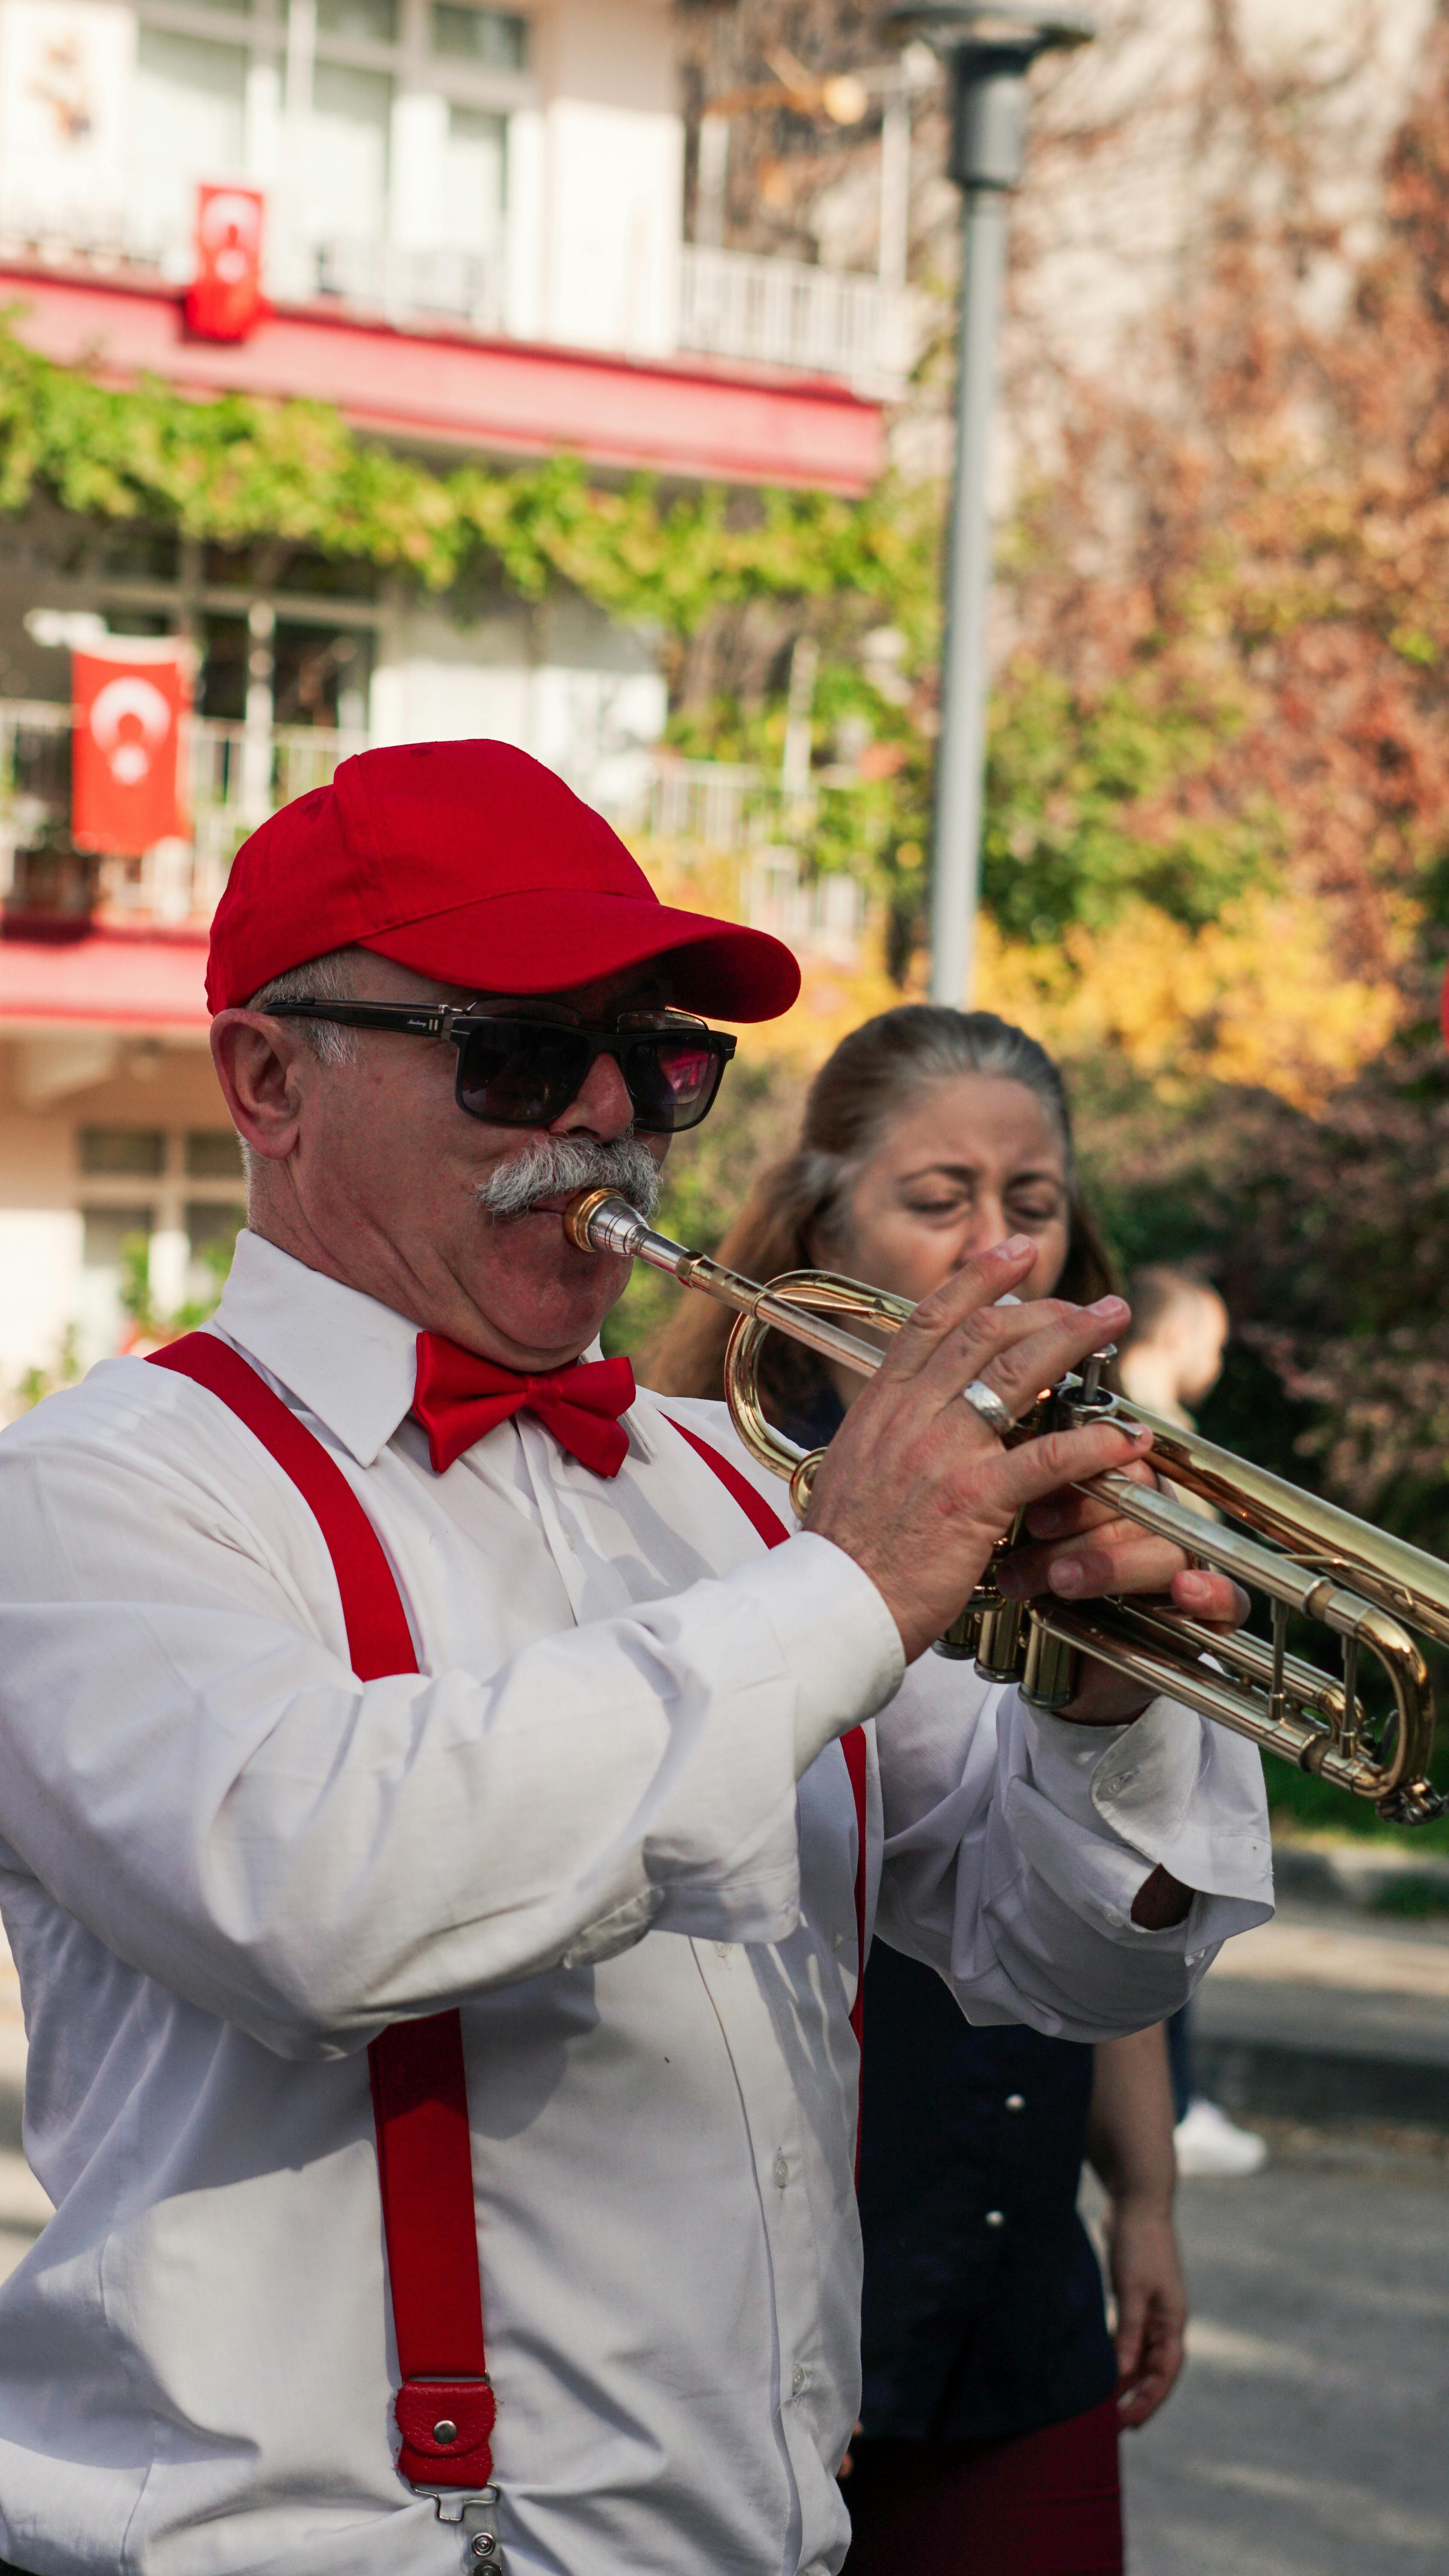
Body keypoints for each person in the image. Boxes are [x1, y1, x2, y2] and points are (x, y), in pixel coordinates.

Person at [0, 741, 1272, 2576]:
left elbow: (1059, 1960)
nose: (608, 1120)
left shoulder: (726, 1494)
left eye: (660, 1057)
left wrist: (1106, 1693)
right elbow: (327, 1896)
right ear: (270, 1078)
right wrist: (846, 1588)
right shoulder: (91, 1498)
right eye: (519, 1054)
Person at [651, 1006, 1189, 2575]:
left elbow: (1091, 1882)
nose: (996, 1250)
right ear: (820, 1224)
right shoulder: (696, 1495)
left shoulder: (1087, 1492)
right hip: (778, 2274)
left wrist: (1141, 2196)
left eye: (1030, 1207)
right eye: (936, 1200)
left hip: (1015, 2274)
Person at [1117, 1267, 1270, 2181]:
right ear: (1177, 1338)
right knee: (1154, 1907)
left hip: (1174, 1685)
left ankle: (1177, 2100)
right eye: (1211, 1338)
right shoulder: (1150, 1422)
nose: (1216, 1358)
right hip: (1151, 1695)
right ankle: (1168, 2106)